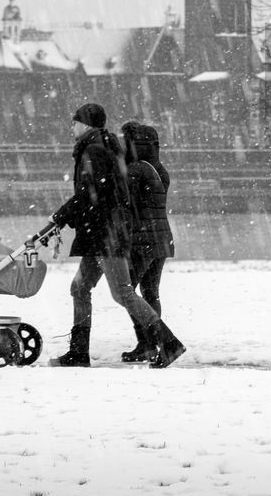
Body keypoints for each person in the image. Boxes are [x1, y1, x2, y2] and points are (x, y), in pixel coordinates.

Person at [48, 103, 186, 369]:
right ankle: (79, 352)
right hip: (99, 232)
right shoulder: (101, 147)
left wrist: (61, 217)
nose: (71, 127)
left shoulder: (94, 151)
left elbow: (92, 195)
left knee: (123, 292)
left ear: (86, 125)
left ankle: (167, 343)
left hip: (106, 233)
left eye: (75, 122)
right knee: (80, 287)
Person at [118, 121, 174, 363]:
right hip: (161, 238)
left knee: (126, 291)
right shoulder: (159, 168)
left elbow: (124, 203)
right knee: (150, 291)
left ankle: (150, 342)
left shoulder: (136, 170)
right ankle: (151, 344)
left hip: (143, 240)